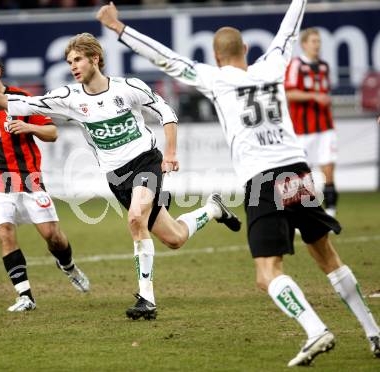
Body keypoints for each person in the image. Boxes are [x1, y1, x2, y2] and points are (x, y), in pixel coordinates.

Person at [96, 0, 380, 366]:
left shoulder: (214, 78)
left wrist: (119, 28)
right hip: (299, 174)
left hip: (264, 180)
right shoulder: (274, 65)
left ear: (216, 57)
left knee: (267, 274)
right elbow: (289, 29)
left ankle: (314, 329)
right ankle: (373, 331)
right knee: (327, 256)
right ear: (246, 50)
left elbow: (164, 58)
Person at [0, 37, 241, 321]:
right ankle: (213, 209)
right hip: (116, 176)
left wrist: (170, 153)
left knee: (134, 219)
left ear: (95, 58)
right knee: (175, 238)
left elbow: (166, 111)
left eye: (78, 60)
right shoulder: (70, 98)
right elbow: (19, 103)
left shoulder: (128, 88)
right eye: (69, 62)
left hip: (146, 162)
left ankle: (146, 299)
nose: (73, 67)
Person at [0, 50, 89, 312]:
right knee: (5, 232)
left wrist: (30, 127)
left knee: (52, 235)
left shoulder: (21, 99)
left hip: (28, 178)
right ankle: (25, 295)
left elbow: (52, 132)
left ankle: (67, 265)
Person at [285, 28, 338, 217]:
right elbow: (289, 93)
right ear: (304, 44)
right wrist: (314, 96)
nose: (317, 45)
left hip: (325, 126)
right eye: (313, 41)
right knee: (303, 174)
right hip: (302, 129)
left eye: (319, 41)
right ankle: (306, 216)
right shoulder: (295, 65)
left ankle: (330, 213)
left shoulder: (324, 66)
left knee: (329, 169)